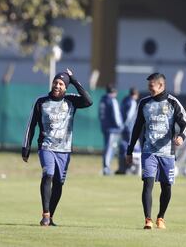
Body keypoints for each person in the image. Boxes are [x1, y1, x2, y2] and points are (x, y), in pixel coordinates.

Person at [22, 68, 92, 226]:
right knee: (48, 174)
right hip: (46, 147)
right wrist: (26, 147)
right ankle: (45, 214)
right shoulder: (41, 102)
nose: (57, 86)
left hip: (65, 149)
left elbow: (88, 100)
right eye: (55, 82)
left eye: (61, 84)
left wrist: (73, 80)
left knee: (59, 183)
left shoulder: (71, 101)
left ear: (65, 87)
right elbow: (31, 125)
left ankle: (51, 216)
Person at [126, 73, 186, 230]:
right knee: (147, 183)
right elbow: (137, 128)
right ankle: (148, 219)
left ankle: (161, 217)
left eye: (151, 86)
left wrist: (181, 136)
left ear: (161, 86)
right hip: (149, 151)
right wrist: (130, 150)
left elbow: (185, 123)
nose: (149, 89)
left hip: (168, 153)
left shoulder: (173, 102)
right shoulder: (144, 103)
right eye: (148, 86)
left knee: (166, 187)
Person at [99, 84, 123, 175]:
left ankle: (106, 167)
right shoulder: (112, 100)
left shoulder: (103, 99)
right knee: (110, 149)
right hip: (113, 129)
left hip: (105, 128)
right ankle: (106, 168)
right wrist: (120, 126)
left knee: (107, 148)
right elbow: (116, 115)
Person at [115, 87, 140, 174]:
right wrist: (126, 125)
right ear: (135, 94)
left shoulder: (124, 100)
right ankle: (129, 167)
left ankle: (122, 168)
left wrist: (122, 126)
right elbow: (129, 116)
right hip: (129, 128)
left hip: (123, 128)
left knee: (123, 147)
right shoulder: (132, 102)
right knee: (131, 148)